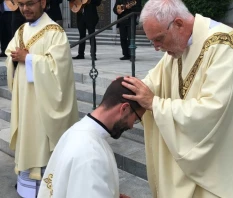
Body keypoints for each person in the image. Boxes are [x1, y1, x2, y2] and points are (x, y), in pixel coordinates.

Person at [121, 0, 233, 197]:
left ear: (178, 24)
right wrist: (126, 91)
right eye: (152, 41)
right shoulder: (177, 49)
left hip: (224, 169)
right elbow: (153, 83)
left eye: (158, 39)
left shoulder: (226, 47)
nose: (156, 48)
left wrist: (154, 103)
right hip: (198, 165)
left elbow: (212, 110)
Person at [5, 0, 79, 196]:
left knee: (42, 146)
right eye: (21, 4)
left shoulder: (55, 32)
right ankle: (28, 188)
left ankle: (48, 190)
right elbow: (10, 55)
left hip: (44, 105)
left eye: (30, 4)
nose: (25, 9)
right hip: (25, 103)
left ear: (43, 2)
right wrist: (13, 59)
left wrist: (28, 59)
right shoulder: (20, 31)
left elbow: (60, 71)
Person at [37, 77, 145, 198]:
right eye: (135, 120)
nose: (131, 126)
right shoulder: (91, 155)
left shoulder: (76, 130)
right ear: (124, 109)